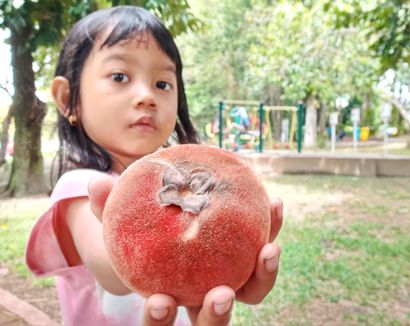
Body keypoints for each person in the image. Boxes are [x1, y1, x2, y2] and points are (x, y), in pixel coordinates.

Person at [24, 6, 282, 326]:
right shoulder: (79, 186)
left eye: (162, 83)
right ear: (67, 99)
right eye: (120, 76)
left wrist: (238, 246)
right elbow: (111, 268)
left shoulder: (181, 173)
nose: (147, 96)